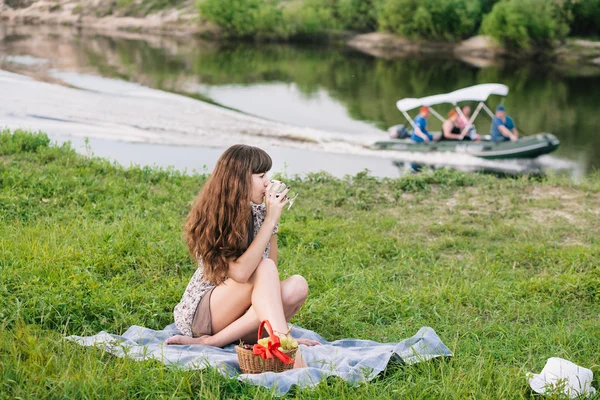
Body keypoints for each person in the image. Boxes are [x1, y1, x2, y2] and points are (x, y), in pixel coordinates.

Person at [166, 144, 320, 360]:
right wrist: (270, 220)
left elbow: (270, 271)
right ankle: (286, 347)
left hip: (239, 313)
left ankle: (216, 342)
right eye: (261, 175)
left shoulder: (259, 212)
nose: (268, 182)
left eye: (267, 174)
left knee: (297, 286)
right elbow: (240, 274)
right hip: (205, 313)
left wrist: (270, 222)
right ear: (238, 179)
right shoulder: (215, 215)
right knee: (264, 269)